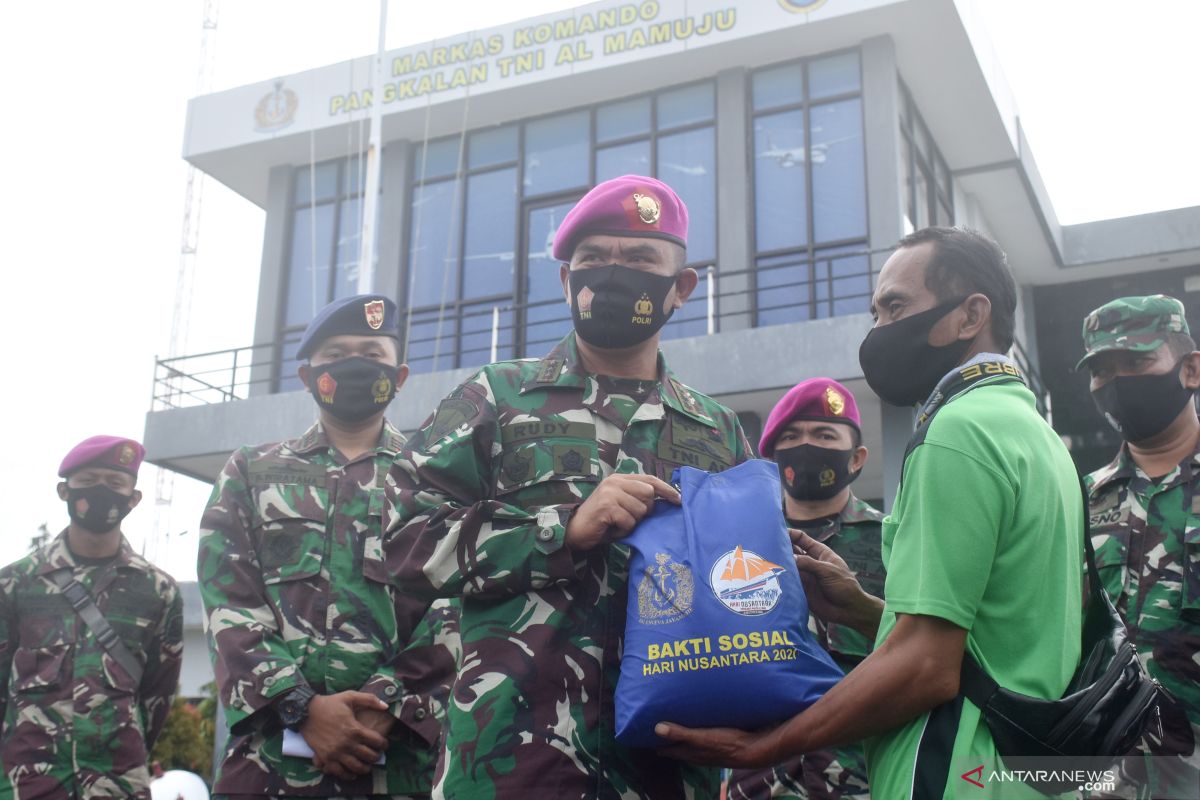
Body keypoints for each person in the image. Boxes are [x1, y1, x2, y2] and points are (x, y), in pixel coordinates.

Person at [656, 226, 1084, 800]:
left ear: (970, 314)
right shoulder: (1035, 434)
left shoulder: (958, 433)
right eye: (876, 312)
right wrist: (867, 611)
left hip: (958, 771)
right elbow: (993, 634)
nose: (880, 329)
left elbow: (928, 667)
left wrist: (765, 747)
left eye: (896, 307)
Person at [384, 175, 753, 798]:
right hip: (509, 765)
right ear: (565, 280)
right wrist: (562, 531)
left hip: (668, 766)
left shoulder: (717, 430)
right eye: (594, 260)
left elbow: (748, 585)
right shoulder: (495, 397)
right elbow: (403, 541)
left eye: (639, 259)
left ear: (681, 288)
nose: (614, 275)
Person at [198, 294, 458, 799]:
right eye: (336, 356)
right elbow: (227, 600)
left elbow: (457, 602)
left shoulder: (439, 479)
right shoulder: (251, 472)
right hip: (270, 761)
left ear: (399, 376)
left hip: (402, 763)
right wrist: (301, 708)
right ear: (307, 376)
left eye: (372, 355)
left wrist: (383, 705)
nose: (355, 366)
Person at [0, 436, 183, 799]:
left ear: (133, 499)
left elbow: (157, 697)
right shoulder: (15, 584)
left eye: (115, 484)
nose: (102, 492)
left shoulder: (158, 590)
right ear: (63, 491)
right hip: (27, 782)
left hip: (117, 783)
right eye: (88, 481)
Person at [728, 378, 882, 800]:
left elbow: (918, 647)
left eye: (824, 434)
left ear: (857, 458)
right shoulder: (740, 543)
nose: (806, 445)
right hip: (758, 783)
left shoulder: (895, 540)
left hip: (867, 780)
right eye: (791, 437)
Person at [1076, 294, 1200, 797]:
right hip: (1100, 778)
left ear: (1191, 370)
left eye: (1137, 361)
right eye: (1102, 370)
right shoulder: (1075, 499)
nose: (1117, 382)